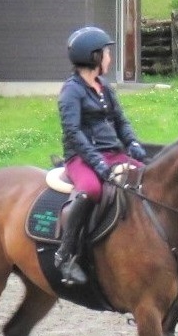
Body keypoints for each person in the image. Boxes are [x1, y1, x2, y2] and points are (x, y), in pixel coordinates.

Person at [54, 26, 148, 287]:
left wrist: (132, 143)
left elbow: (120, 120)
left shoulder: (103, 87)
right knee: (91, 190)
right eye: (106, 53)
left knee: (146, 178)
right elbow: (73, 132)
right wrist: (95, 161)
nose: (109, 58)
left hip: (113, 154)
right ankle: (66, 253)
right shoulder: (71, 91)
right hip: (81, 158)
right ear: (94, 57)